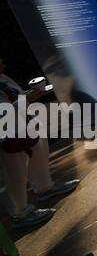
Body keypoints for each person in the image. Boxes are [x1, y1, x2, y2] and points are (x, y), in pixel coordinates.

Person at [0, 61, 79, 231]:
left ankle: (45, 187)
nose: (3, 65)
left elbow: (15, 96)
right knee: (14, 172)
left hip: (23, 123)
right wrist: (26, 99)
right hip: (5, 133)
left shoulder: (3, 78)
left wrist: (30, 96)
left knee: (39, 151)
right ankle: (20, 214)